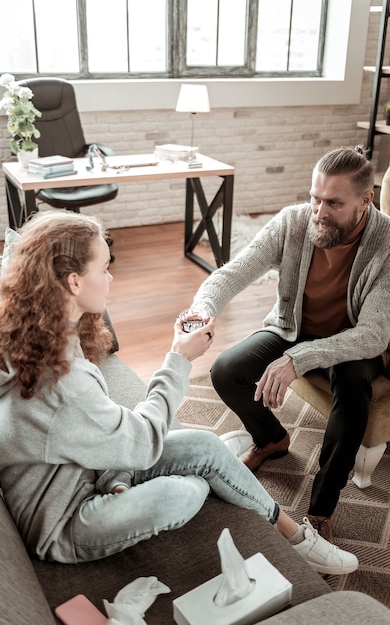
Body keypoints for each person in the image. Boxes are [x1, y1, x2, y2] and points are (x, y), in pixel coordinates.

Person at [0, 210, 358, 576]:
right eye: (104, 267)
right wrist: (178, 359)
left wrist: (115, 477)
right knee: (188, 490)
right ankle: (224, 476)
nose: (110, 277)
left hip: (80, 468)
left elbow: (84, 431)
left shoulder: (43, 335)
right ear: (74, 282)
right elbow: (141, 441)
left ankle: (294, 536)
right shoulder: (59, 379)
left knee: (206, 447)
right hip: (65, 523)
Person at [190, 145, 390, 543]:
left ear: (366, 199)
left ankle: (320, 510)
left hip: (352, 342)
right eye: (314, 198)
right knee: (226, 371)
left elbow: (375, 334)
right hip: (292, 328)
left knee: (354, 392)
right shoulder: (293, 223)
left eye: (333, 203)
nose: (319, 212)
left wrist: (298, 360)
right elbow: (235, 272)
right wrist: (202, 309)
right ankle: (271, 439)